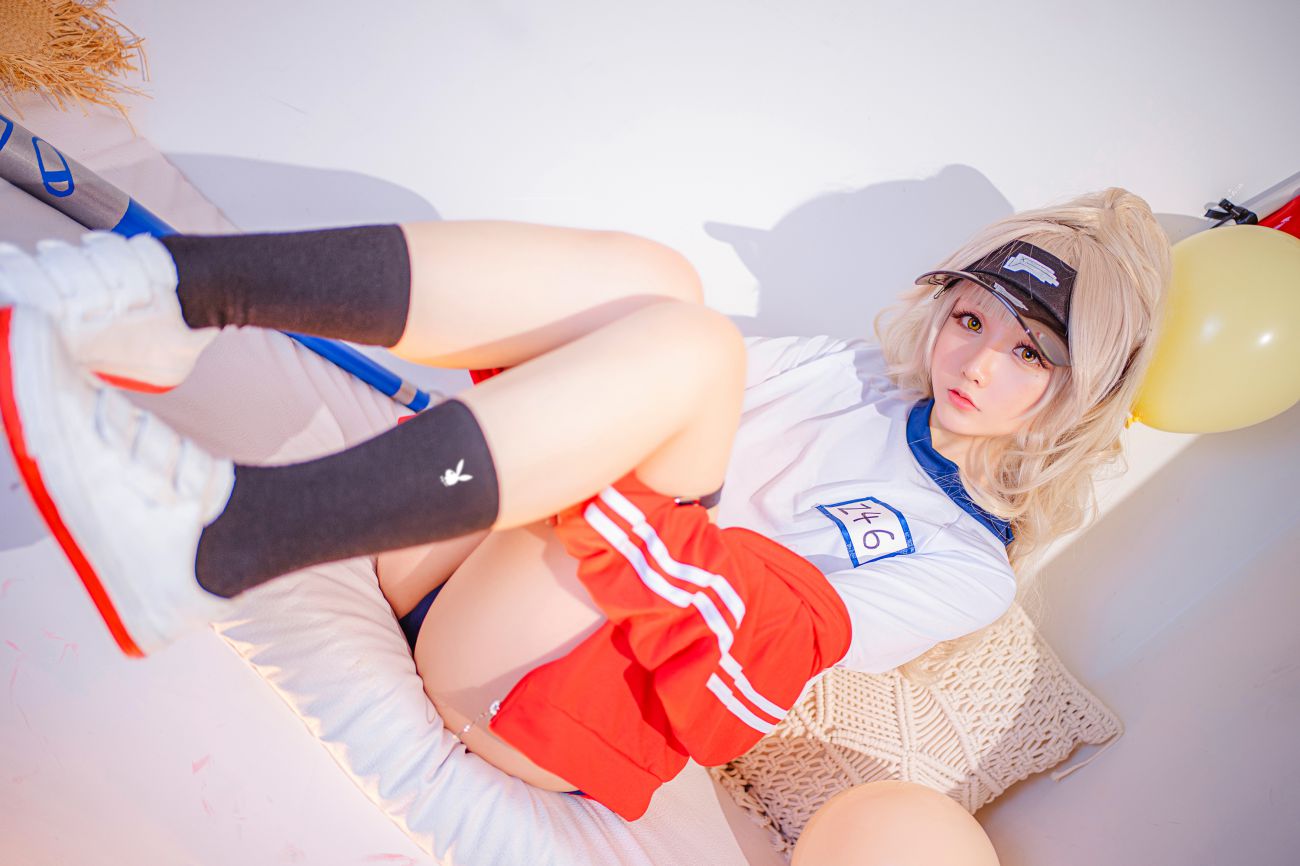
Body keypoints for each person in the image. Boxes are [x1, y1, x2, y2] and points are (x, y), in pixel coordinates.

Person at [0, 187, 1170, 820]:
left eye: (1031, 354)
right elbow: (612, 386)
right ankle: (169, 292)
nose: (977, 363)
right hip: (466, 561)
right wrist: (580, 420)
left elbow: (732, 649)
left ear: (1079, 395)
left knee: (691, 345)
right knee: (661, 287)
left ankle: (232, 535)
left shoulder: (968, 567)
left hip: (554, 691)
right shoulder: (849, 373)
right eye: (970, 318)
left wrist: (599, 436)